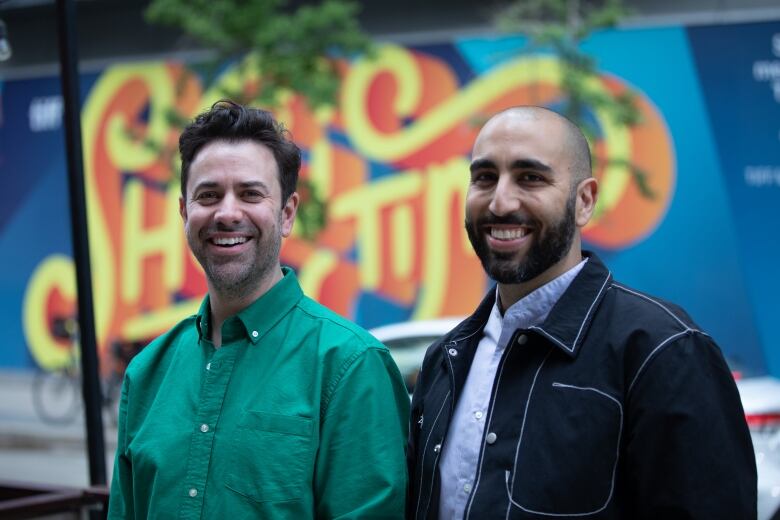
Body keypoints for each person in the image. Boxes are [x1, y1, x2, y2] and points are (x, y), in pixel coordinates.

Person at [406, 106, 756, 519]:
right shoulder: (447, 357)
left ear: (584, 201)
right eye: (484, 178)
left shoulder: (663, 350)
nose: (500, 202)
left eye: (530, 177)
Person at [108, 100, 409, 519]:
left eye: (250, 194)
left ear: (286, 214)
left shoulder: (351, 367)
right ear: (184, 213)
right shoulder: (147, 373)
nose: (227, 213)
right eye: (208, 195)